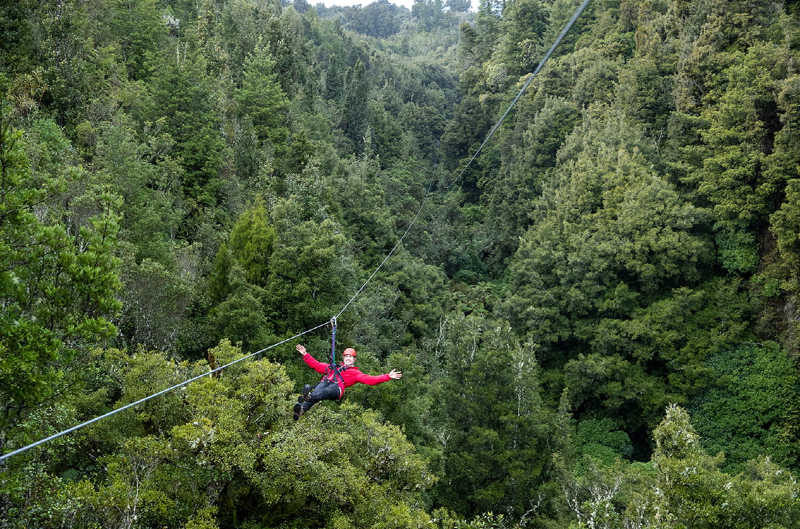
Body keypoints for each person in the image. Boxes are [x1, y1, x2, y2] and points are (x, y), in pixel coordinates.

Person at [293, 344, 402, 420]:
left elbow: (370, 380)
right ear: (344, 358)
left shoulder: (355, 373)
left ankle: (308, 397)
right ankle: (301, 410)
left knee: (323, 391)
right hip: (325, 384)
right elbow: (316, 365)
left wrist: (387, 376)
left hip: (336, 389)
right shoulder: (332, 368)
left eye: (351, 357)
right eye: (347, 356)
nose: (348, 358)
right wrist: (305, 354)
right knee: (321, 387)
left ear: (354, 360)